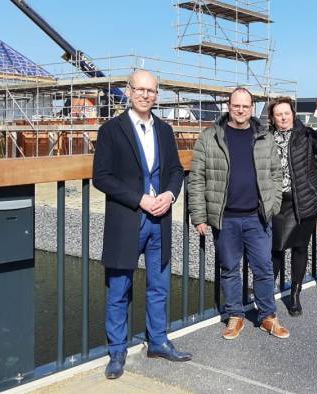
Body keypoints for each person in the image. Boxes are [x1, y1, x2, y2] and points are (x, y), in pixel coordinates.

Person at [93, 69, 191, 380]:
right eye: (140, 89)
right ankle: (117, 351)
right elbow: (102, 177)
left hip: (159, 220)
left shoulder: (164, 129)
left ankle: (158, 341)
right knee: (119, 289)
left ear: (157, 95)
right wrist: (139, 198)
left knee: (159, 287)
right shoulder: (111, 129)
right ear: (129, 90)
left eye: (151, 90)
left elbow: (175, 170)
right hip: (128, 220)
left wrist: (170, 195)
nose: (146, 95)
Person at [188, 88, 289, 340]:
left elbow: (276, 174)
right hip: (226, 218)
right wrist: (199, 215)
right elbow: (197, 178)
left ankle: (267, 316)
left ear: (252, 108)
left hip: (257, 216)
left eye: (245, 106)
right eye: (236, 106)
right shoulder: (210, 137)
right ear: (228, 106)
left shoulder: (264, 137)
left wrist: (273, 203)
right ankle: (235, 316)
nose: (240, 110)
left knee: (263, 268)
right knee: (230, 268)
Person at [268, 97, 317, 316]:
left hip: (305, 199)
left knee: (300, 247)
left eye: (287, 113)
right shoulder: (265, 138)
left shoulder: (305, 134)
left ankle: (294, 294)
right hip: (279, 202)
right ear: (272, 117)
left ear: (293, 114)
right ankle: (267, 294)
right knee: (275, 250)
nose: (284, 117)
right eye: (279, 114)